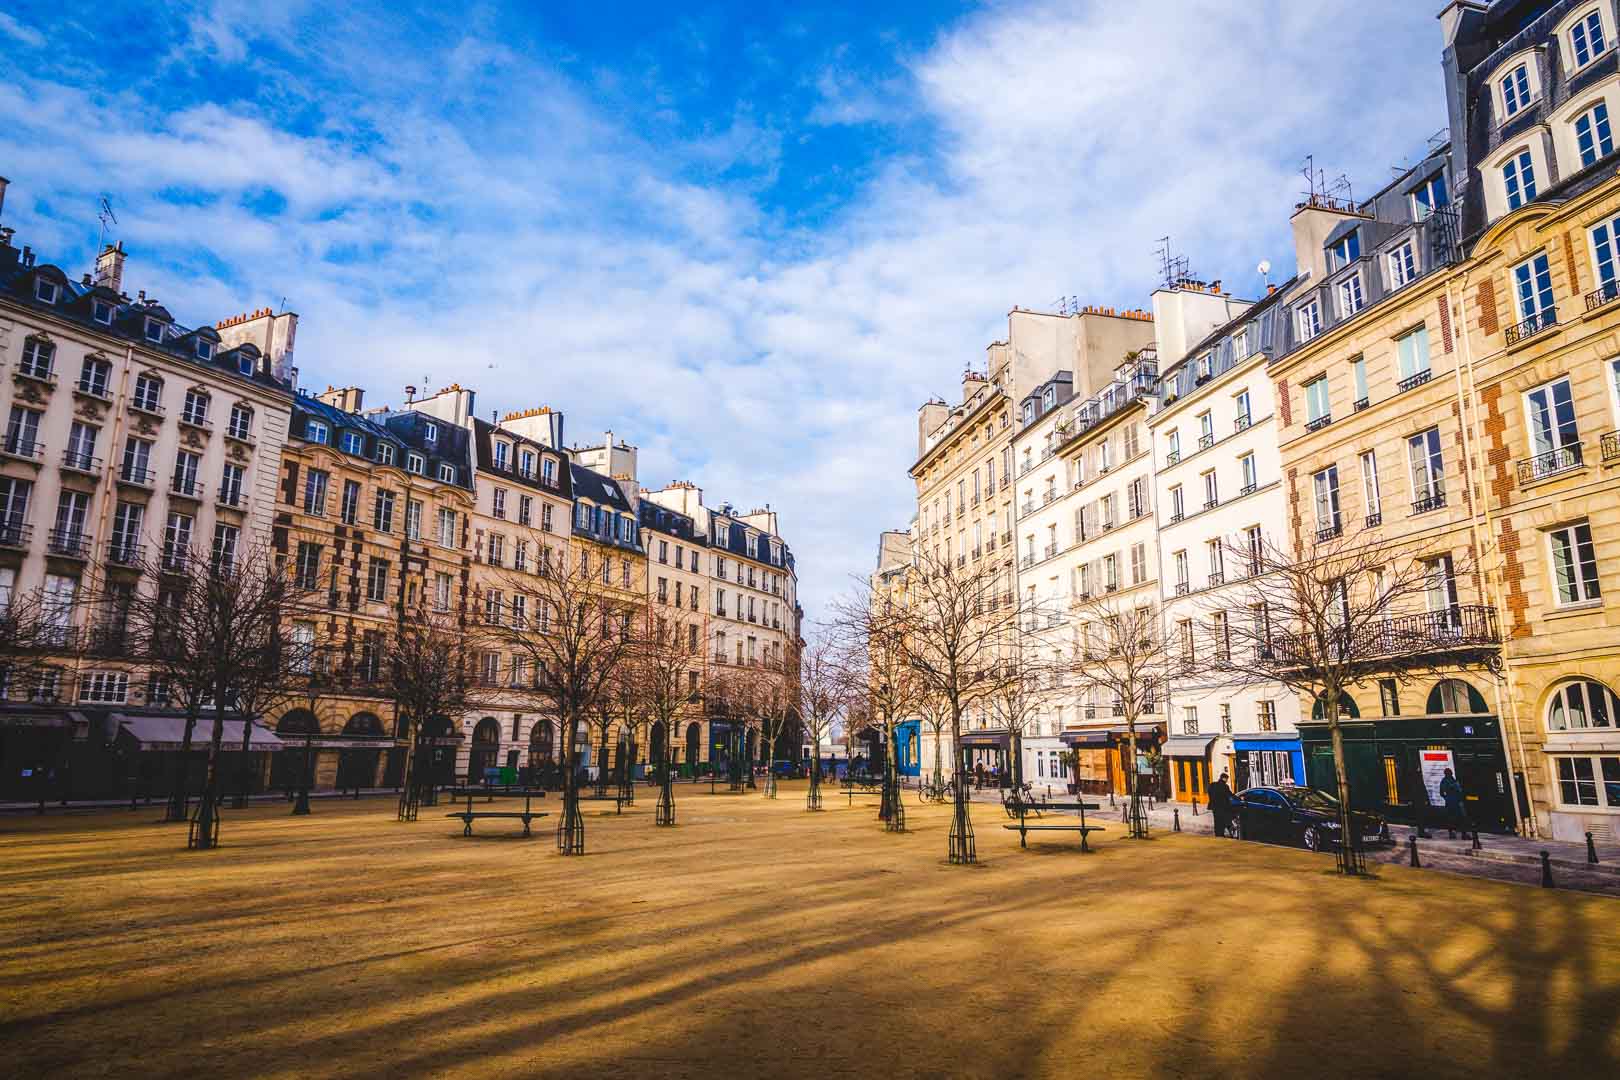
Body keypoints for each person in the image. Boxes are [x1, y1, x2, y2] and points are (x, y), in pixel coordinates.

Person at [1439, 767, 1468, 838]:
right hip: (1456, 802)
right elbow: (1459, 791)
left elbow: (1441, 793)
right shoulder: (1453, 781)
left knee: (1450, 818)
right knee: (1461, 818)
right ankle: (1463, 834)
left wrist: (1446, 798)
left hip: (1449, 802)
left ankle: (1451, 833)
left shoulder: (1443, 781)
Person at [1207, 771, 1234, 838]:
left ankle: (1217, 834)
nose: (1227, 781)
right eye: (1227, 779)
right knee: (1222, 820)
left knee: (1216, 820)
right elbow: (1230, 795)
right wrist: (1239, 798)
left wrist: (1212, 801)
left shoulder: (1212, 785)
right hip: (1222, 807)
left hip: (1214, 806)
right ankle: (1221, 834)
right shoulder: (1225, 786)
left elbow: (1209, 793)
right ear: (1224, 778)